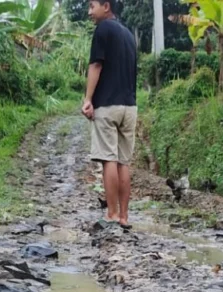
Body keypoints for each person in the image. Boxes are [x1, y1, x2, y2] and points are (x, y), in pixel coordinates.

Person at [82, 0, 137, 227]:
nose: (89, 12)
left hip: (107, 105)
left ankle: (112, 214)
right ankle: (124, 217)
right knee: (124, 162)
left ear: (106, 6)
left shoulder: (103, 29)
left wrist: (88, 99)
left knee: (109, 160)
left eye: (92, 6)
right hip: (130, 107)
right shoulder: (127, 35)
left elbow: (96, 65)